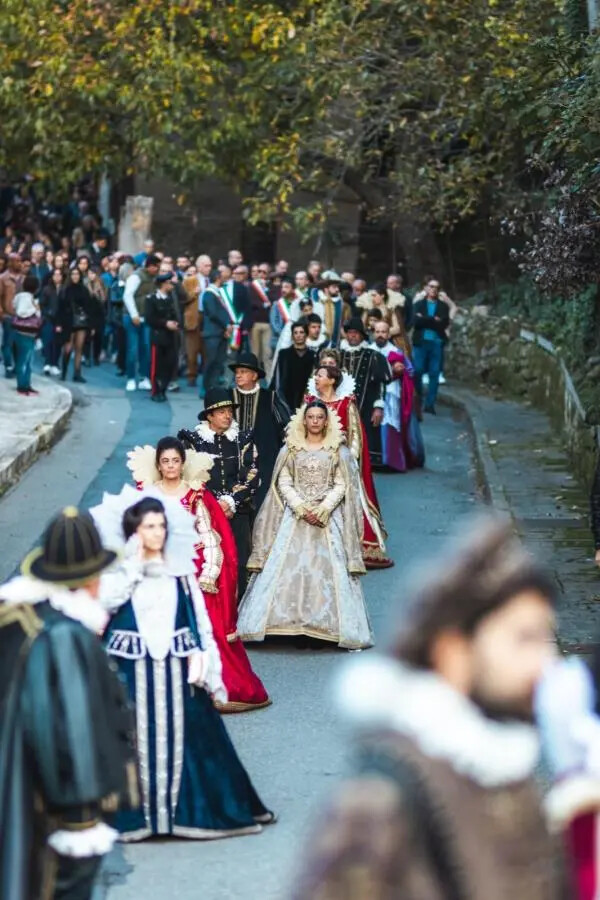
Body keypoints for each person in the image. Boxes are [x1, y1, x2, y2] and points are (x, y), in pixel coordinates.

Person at [294, 516, 563, 900]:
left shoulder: (510, 774)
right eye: (524, 639)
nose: (547, 663)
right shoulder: (377, 803)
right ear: (452, 651)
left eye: (547, 639)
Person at [92, 491, 274, 841]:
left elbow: (200, 619)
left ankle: (186, 810)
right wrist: (133, 570)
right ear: (135, 531)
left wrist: (212, 670)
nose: (157, 533)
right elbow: (103, 607)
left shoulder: (180, 570)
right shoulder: (121, 570)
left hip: (176, 668)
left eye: (161, 526)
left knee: (197, 739)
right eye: (149, 527)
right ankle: (137, 814)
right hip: (131, 670)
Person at [0, 507, 138, 900]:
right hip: (53, 813)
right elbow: (70, 731)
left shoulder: (21, 619)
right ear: (92, 579)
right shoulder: (65, 637)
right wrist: (82, 821)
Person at [127, 436, 270, 713]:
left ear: (182, 463)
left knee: (201, 631)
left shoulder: (195, 494)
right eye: (165, 461)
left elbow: (210, 536)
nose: (171, 466)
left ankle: (205, 687)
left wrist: (209, 573)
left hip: (190, 572)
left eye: (175, 461)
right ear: (158, 465)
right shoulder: (147, 495)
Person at [238, 401, 373, 650]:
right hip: (294, 517)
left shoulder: (338, 450)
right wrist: (300, 507)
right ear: (304, 420)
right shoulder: (291, 448)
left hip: (326, 518)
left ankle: (322, 627)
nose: (315, 421)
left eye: (319, 417)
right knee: (286, 569)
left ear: (326, 421)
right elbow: (283, 481)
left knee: (323, 572)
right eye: (311, 417)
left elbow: (342, 483)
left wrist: (323, 509)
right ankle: (285, 624)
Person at [306, 358, 393, 569]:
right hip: (314, 462)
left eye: (320, 375)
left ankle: (349, 547)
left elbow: (356, 437)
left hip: (339, 464)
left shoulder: (346, 404)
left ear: (331, 380)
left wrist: (348, 460)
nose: (316, 378)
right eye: (316, 375)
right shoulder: (310, 402)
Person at [178, 389, 259, 598]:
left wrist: (231, 501)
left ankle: (237, 611)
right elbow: (190, 477)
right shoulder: (192, 441)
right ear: (210, 416)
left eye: (230, 411)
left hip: (237, 512)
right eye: (222, 412)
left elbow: (252, 474)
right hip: (205, 514)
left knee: (239, 564)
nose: (228, 416)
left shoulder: (243, 439)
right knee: (209, 563)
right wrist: (214, 504)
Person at [230, 352, 290, 509]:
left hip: (265, 462)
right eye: (237, 372)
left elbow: (287, 428)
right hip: (233, 462)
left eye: (243, 371)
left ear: (255, 375)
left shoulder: (270, 398)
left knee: (262, 504)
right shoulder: (228, 397)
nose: (238, 375)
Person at [373, 320, 425, 471]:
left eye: (383, 332)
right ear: (373, 333)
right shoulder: (368, 350)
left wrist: (398, 371)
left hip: (391, 393)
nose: (380, 335)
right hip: (373, 394)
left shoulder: (396, 352)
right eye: (377, 332)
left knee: (389, 425)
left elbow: (410, 371)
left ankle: (390, 461)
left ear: (389, 334)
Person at [340, 317, 391, 468]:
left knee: (364, 454)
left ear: (362, 335)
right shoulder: (338, 354)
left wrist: (378, 407)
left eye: (356, 333)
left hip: (366, 407)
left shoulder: (373, 355)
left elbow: (380, 383)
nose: (353, 335)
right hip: (340, 408)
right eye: (350, 332)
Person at [412, 276, 450, 414]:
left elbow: (443, 324)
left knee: (434, 373)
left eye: (437, 287)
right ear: (426, 288)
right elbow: (416, 322)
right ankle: (418, 401)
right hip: (420, 342)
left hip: (436, 342)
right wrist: (433, 319)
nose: (434, 289)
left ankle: (430, 404)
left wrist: (424, 319)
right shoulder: (418, 304)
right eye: (431, 286)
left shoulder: (443, 306)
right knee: (418, 371)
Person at [122, 253, 160, 392]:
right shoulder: (136, 277)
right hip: (132, 317)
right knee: (132, 349)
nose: (157, 269)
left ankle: (145, 377)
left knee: (146, 349)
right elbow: (127, 295)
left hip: (146, 318)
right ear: (149, 266)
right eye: (155, 267)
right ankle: (131, 378)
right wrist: (134, 315)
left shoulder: (155, 278)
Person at [145, 271, 180, 403]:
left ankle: (163, 389)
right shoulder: (151, 299)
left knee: (169, 364)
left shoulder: (171, 298)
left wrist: (176, 323)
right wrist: (165, 323)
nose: (172, 285)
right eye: (170, 283)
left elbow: (175, 314)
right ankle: (155, 391)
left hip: (170, 337)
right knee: (156, 365)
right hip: (158, 336)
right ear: (163, 284)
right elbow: (150, 319)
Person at [56, 267, 94, 383]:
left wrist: (91, 324)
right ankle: (64, 372)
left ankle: (77, 373)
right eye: (73, 274)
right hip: (68, 321)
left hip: (81, 321)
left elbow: (89, 307)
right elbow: (60, 307)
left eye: (77, 274)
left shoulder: (84, 289)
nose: (75, 276)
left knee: (79, 348)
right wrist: (59, 323)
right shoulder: (65, 290)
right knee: (68, 348)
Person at [270, 320, 316, 413]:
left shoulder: (312, 355)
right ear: (292, 336)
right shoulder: (284, 354)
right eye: (295, 333)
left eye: (301, 332)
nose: (298, 335)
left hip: (305, 399)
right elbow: (277, 376)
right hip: (286, 398)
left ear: (306, 335)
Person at [201, 267, 233, 392]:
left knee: (219, 361)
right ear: (218, 278)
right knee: (211, 360)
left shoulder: (218, 293)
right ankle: (205, 387)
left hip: (220, 333)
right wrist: (226, 325)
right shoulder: (209, 294)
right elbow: (213, 313)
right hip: (212, 333)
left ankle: (214, 386)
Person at [12, 274, 42, 396]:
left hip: (25, 333)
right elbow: (21, 312)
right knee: (24, 360)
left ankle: (26, 385)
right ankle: (21, 386)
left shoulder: (19, 296)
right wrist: (34, 309)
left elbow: (14, 306)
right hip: (26, 333)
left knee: (27, 361)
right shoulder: (26, 298)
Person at [0, 251, 23, 377]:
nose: (20, 263)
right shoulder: (3, 278)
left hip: (21, 315)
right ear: (10, 262)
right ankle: (8, 366)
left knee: (18, 343)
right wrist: (1, 314)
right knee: (8, 343)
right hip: (8, 315)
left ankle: (16, 367)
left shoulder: (23, 278)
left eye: (20, 261)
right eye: (17, 261)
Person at [249, 263, 273, 371]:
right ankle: (253, 378)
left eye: (264, 272)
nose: (261, 274)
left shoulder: (271, 286)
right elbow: (251, 302)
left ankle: (269, 379)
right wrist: (262, 304)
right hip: (255, 323)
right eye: (259, 271)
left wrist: (266, 290)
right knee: (255, 353)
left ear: (268, 274)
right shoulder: (252, 286)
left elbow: (274, 301)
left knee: (267, 353)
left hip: (268, 324)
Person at [40, 266, 63, 375]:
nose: (57, 277)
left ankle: (55, 363)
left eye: (59, 275)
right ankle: (47, 363)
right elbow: (42, 304)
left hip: (61, 320)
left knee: (57, 343)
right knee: (48, 340)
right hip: (48, 318)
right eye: (55, 275)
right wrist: (47, 313)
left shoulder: (64, 289)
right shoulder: (47, 289)